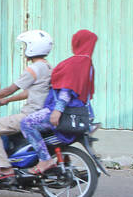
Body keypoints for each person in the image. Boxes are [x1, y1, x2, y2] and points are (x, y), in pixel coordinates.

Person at [0, 30, 54, 183]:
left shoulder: (33, 69)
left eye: (26, 46)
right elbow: (29, 92)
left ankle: (4, 168)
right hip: (42, 114)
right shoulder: (48, 67)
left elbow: (10, 89)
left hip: (29, 115)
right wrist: (8, 101)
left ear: (33, 47)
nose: (24, 49)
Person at [20, 29, 97, 175]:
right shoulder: (87, 63)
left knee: (26, 123)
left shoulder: (77, 62)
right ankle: (62, 157)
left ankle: (44, 160)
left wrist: (57, 110)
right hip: (79, 111)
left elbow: (67, 89)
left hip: (63, 110)